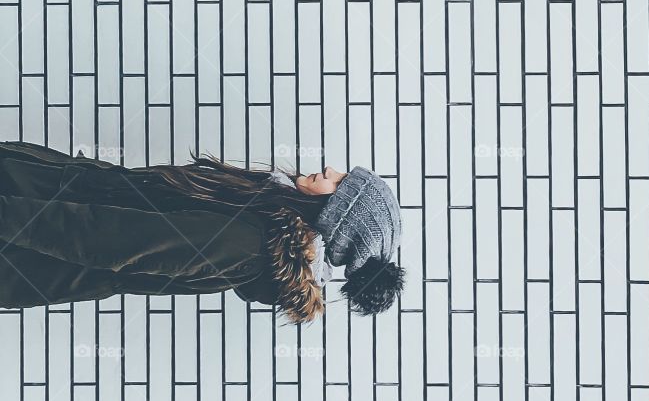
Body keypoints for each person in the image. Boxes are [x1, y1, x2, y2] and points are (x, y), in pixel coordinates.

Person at [0, 141, 404, 322]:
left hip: (18, 238)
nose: (331, 170)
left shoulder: (247, 245)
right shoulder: (261, 212)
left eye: (342, 181)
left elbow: (101, 235)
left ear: (335, 212)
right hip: (30, 195)